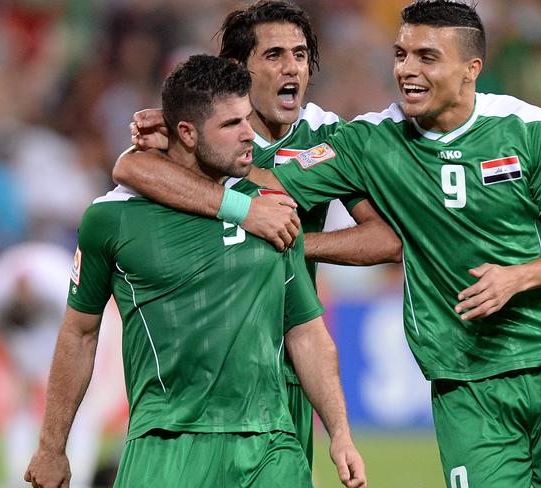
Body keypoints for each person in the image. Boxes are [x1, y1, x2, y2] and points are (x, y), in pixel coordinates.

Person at [117, 1, 541, 486]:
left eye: (425, 57)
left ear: (471, 68)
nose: (406, 70)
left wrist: (516, 277)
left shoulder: (525, 127)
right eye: (400, 54)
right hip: (464, 380)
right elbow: (245, 177)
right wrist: (186, 140)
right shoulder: (370, 141)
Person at [24, 54, 366, 488]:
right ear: (185, 133)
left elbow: (305, 331)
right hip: (166, 443)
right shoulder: (111, 219)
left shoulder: (273, 209)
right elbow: (79, 332)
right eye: (231, 126)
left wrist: (340, 433)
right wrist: (52, 447)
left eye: (248, 119)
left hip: (270, 445)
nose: (249, 136)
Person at [112, 0, 402, 468]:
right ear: (237, 69)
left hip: (287, 361)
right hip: (199, 364)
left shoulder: (328, 137)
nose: (293, 67)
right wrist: (240, 207)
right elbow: (130, 167)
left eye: (301, 54)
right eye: (274, 55)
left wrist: (291, 241)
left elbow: (387, 239)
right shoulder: (202, 134)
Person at [0, 242, 101, 488]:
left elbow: (79, 331)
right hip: (29, 332)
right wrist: (19, 370)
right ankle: (17, 476)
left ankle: (81, 477)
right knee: (17, 401)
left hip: (70, 324)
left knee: (77, 400)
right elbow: (0, 331)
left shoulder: (58, 280)